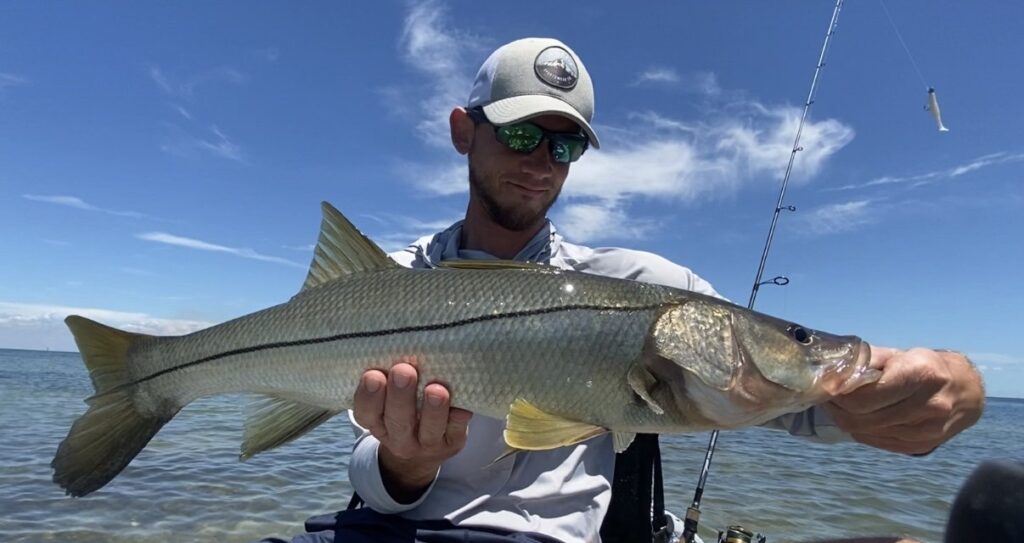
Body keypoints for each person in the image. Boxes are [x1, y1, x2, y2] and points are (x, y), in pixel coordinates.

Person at [265, 37, 984, 543]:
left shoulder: (645, 287)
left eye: (566, 144)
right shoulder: (383, 285)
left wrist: (946, 385)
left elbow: (805, 406)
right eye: (521, 135)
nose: (543, 162)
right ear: (464, 130)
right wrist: (404, 461)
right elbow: (369, 475)